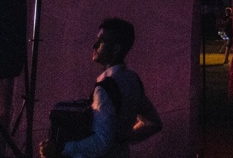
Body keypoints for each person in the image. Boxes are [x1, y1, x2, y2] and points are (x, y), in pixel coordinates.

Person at [39, 17, 162, 158]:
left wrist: (61, 148)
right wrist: (122, 138)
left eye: (101, 41)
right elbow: (153, 122)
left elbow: (101, 143)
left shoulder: (105, 88)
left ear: (116, 49)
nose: (94, 45)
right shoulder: (132, 80)